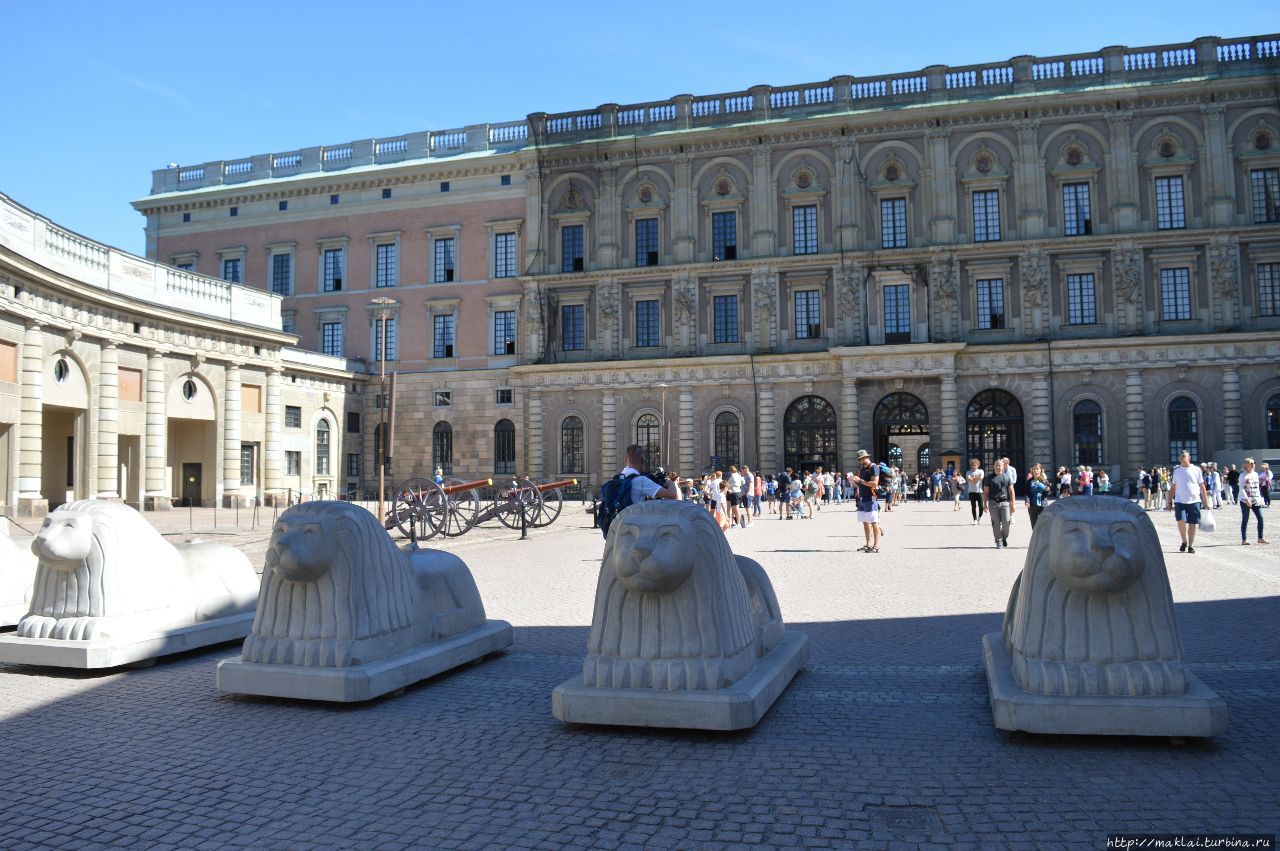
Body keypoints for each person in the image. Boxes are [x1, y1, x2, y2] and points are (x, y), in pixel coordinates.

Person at [1168, 449, 1210, 554]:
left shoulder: (1196, 470)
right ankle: (1184, 541)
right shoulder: (1177, 471)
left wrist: (1206, 501)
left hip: (1194, 501)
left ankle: (1191, 545)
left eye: (1183, 456)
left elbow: (1202, 486)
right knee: (1181, 521)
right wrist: (1169, 502)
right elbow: (1173, 487)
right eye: (1180, 456)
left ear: (1189, 458)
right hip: (1180, 501)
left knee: (1192, 523)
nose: (1181, 458)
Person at [852, 450, 880, 553]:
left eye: (860, 459)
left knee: (873, 522)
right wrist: (854, 482)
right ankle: (868, 544)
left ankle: (876, 546)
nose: (859, 461)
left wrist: (860, 481)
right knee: (865, 522)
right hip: (862, 498)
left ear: (865, 458)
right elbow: (861, 484)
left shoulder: (874, 467)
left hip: (870, 498)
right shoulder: (863, 468)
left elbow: (874, 484)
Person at [984, 458, 1016, 548]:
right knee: (996, 523)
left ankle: (1004, 537)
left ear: (1003, 467)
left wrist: (1013, 504)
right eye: (996, 465)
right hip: (993, 502)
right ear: (994, 466)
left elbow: (1011, 491)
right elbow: (986, 492)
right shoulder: (989, 478)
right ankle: (999, 541)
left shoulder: (1007, 477)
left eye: (1000, 465)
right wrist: (985, 504)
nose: (998, 467)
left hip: (1005, 502)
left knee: (1006, 522)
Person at [1239, 458, 1269, 545]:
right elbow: (1242, 489)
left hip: (1255, 499)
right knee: (1245, 519)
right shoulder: (1243, 476)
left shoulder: (1256, 474)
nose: (1253, 465)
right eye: (1251, 463)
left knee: (1261, 518)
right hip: (1245, 500)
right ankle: (1244, 539)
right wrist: (1247, 499)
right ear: (1246, 465)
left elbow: (1256, 487)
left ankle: (1260, 537)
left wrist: (1260, 498)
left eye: (1254, 463)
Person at [1027, 464, 1049, 529]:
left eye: (1037, 469)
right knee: (1034, 526)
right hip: (1032, 505)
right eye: (1034, 469)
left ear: (1040, 470)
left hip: (1043, 505)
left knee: (1044, 524)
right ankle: (1036, 538)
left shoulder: (1045, 481)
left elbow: (1049, 493)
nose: (1036, 471)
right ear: (1032, 471)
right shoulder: (1029, 482)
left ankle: (1044, 538)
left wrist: (1047, 490)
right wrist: (1027, 501)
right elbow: (1026, 493)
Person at [966, 458, 985, 524]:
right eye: (973, 465)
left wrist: (973, 478)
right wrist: (976, 478)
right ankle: (975, 519)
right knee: (973, 506)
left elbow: (981, 478)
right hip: (971, 491)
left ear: (978, 465)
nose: (974, 466)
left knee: (981, 506)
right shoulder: (968, 472)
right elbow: (968, 480)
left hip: (979, 491)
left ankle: (980, 516)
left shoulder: (981, 471)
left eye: (975, 465)